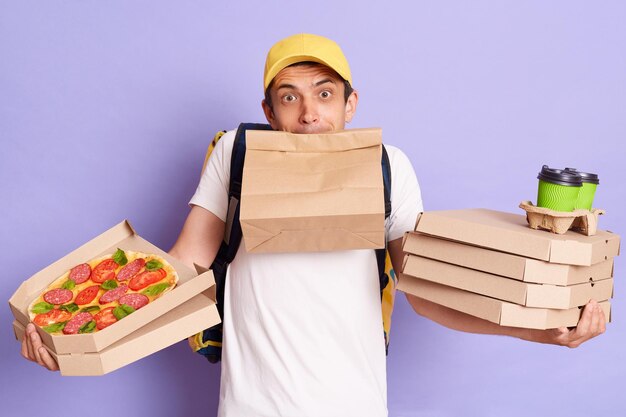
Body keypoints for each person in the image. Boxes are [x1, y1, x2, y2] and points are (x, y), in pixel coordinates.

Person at [21, 33, 606, 416]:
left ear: (351, 103)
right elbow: (186, 267)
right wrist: (78, 334)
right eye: (290, 97)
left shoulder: (387, 166)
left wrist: (537, 331)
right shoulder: (237, 154)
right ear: (268, 111)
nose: (309, 113)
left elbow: (425, 294)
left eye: (325, 94)